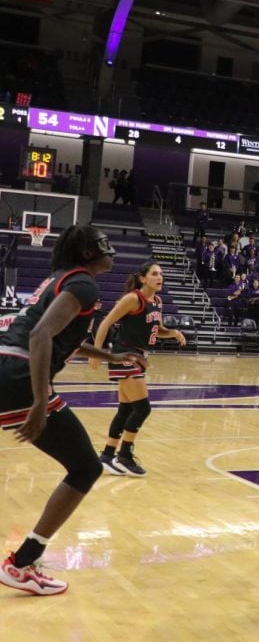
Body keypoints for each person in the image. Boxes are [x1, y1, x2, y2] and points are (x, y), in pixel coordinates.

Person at [0, 225, 145, 595]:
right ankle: (21, 564)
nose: (110, 251)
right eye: (103, 246)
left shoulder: (60, 279)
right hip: (18, 377)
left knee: (83, 466)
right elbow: (39, 336)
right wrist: (38, 403)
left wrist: (109, 355)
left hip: (6, 368)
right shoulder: (83, 285)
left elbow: (65, 338)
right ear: (85, 253)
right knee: (85, 467)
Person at [90, 261, 186, 477]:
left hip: (139, 356)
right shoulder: (133, 298)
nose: (159, 277)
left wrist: (172, 332)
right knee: (142, 409)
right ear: (143, 278)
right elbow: (105, 323)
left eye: (161, 273)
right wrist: (97, 354)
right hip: (125, 354)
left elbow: (156, 329)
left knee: (125, 410)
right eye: (154, 274)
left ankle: (106, 456)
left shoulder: (158, 301)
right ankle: (124, 456)